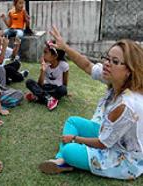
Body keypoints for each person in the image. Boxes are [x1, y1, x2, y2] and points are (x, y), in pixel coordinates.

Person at [39, 26, 143, 180]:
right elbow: (87, 65)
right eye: (107, 58)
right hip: (109, 134)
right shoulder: (115, 78)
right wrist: (65, 47)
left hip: (124, 157)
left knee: (70, 150)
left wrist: (75, 139)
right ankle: (62, 160)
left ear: (129, 70)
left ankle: (64, 157)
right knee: (72, 122)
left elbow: (103, 143)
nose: (107, 63)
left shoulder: (126, 105)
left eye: (115, 61)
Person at [25, 40, 69, 111]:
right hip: (44, 87)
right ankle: (49, 99)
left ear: (54, 56)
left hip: (56, 89)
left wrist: (66, 93)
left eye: (45, 53)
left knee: (63, 89)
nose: (43, 55)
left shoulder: (64, 65)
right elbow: (40, 84)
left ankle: (38, 97)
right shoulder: (45, 64)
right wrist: (42, 71)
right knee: (29, 82)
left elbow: (65, 83)